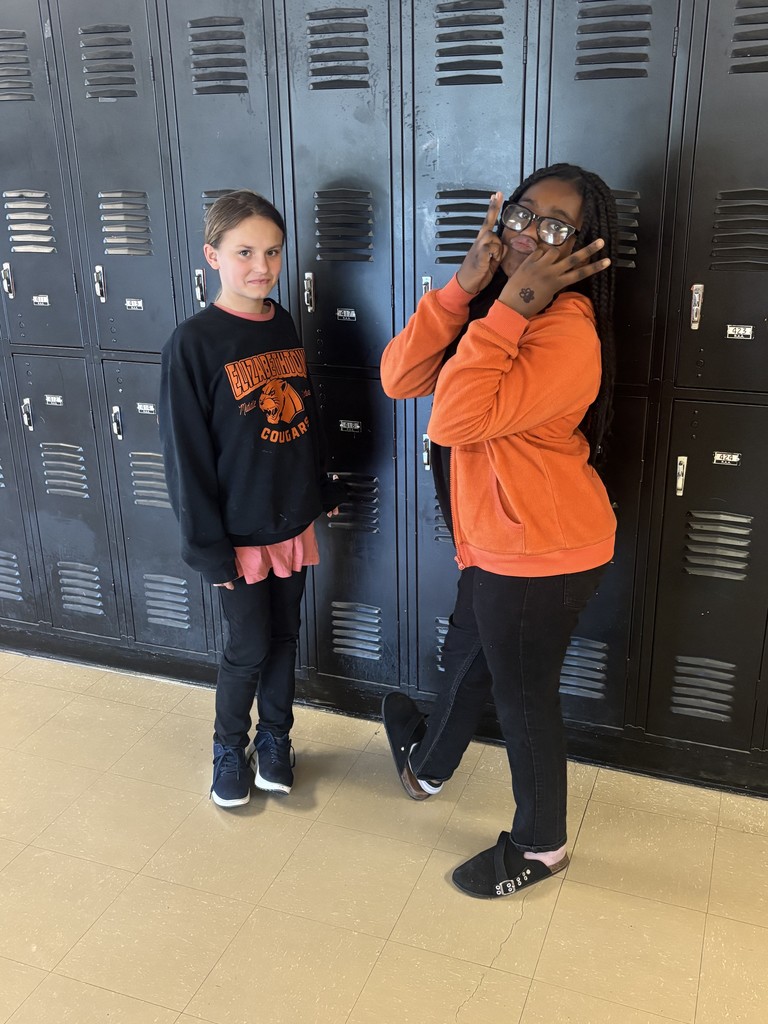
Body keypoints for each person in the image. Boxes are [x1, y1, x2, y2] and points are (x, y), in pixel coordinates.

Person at [379, 163, 618, 897]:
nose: (527, 236)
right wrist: (462, 288)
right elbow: (399, 376)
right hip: (498, 541)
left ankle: (541, 847)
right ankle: (429, 764)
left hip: (539, 551)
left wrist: (511, 302)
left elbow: (451, 421)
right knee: (468, 655)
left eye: (554, 228)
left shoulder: (563, 332)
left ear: (581, 249)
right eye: (522, 215)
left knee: (522, 697)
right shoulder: (492, 312)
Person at [159, 189, 344, 808]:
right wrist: (209, 551)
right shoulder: (195, 343)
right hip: (239, 537)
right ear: (213, 256)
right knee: (246, 647)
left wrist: (324, 486)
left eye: (272, 251)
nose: (261, 266)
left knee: (286, 636)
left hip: (290, 521)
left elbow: (305, 417)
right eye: (245, 252)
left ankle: (275, 741)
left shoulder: (283, 320)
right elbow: (186, 457)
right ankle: (227, 746)